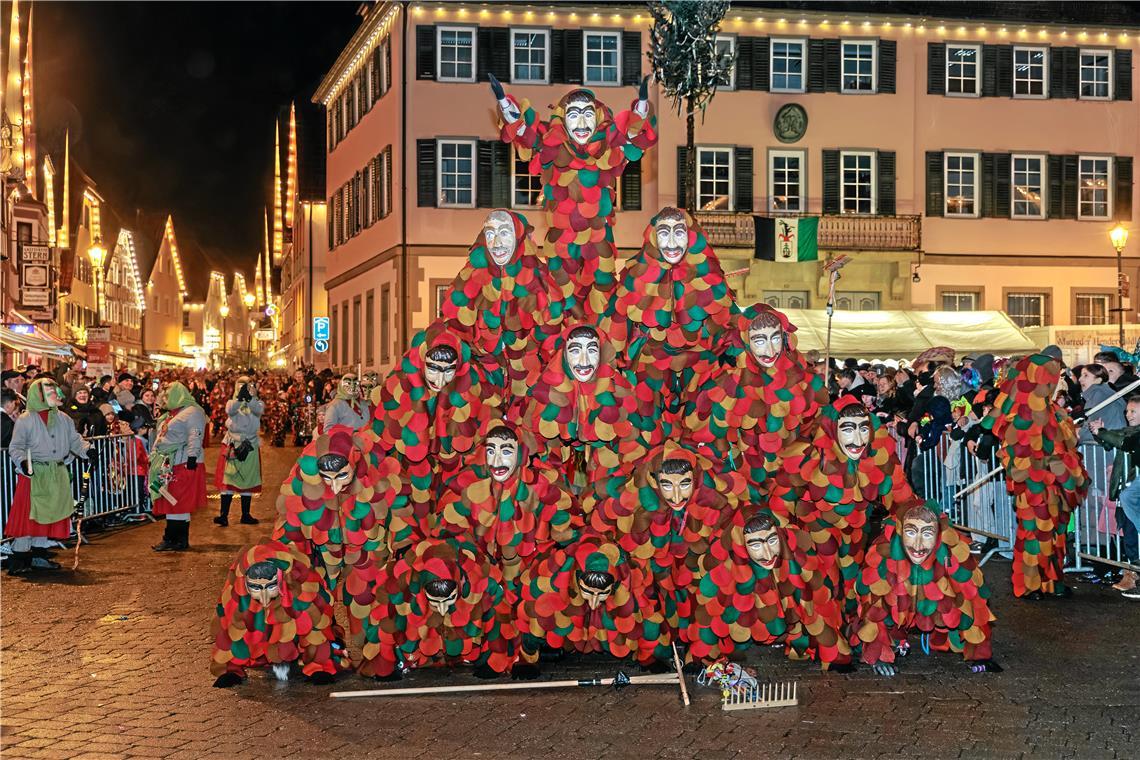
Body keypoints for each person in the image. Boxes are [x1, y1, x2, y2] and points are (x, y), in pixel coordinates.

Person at [490, 75, 657, 317]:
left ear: (597, 117)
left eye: (587, 114)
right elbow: (525, 132)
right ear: (563, 120)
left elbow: (633, 136)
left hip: (599, 237)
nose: (581, 122)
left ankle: (598, 332)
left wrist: (641, 106)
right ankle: (569, 331)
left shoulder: (607, 146)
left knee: (603, 285)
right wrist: (506, 105)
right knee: (560, 291)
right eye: (573, 114)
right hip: (560, 240)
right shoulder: (550, 144)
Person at [685, 303, 828, 501]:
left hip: (786, 489)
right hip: (740, 489)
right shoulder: (723, 386)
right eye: (759, 341)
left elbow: (815, 433)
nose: (770, 350)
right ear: (746, 342)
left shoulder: (805, 384)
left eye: (775, 338)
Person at [687, 509, 853, 670]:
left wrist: (833, 652)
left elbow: (820, 609)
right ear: (741, 546)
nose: (767, 554)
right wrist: (701, 655)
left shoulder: (800, 561)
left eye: (772, 541)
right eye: (756, 545)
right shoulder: (724, 572)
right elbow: (708, 618)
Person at [981, 354, 1088, 600]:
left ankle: (1052, 582)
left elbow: (1068, 440)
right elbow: (1015, 453)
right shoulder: (1020, 413)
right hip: (1034, 484)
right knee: (1032, 531)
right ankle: (1029, 585)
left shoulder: (1053, 409)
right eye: (1049, 377)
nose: (1053, 383)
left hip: (1057, 483)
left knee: (1055, 534)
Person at [438, 209, 569, 401]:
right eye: (490, 234)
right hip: (484, 389)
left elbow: (553, 339)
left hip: (530, 389)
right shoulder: (468, 281)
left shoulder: (541, 283)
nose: (496, 243)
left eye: (504, 233)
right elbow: (454, 333)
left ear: (519, 237)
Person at [856, 502, 1001, 676]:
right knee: (886, 600)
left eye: (927, 534)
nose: (918, 545)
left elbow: (974, 603)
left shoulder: (953, 557)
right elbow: (873, 612)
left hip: (937, 598)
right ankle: (898, 641)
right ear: (900, 532)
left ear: (939, 536)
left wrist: (981, 655)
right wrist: (878, 654)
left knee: (954, 595)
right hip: (898, 603)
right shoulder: (882, 560)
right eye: (911, 532)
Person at [356, 534, 517, 680]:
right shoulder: (400, 583)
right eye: (436, 602)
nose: (442, 609)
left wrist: (494, 662)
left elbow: (500, 618)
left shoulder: (482, 578)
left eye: (447, 600)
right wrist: (385, 666)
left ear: (461, 585)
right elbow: (382, 622)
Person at [211, 540, 346, 687]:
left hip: (292, 607)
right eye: (256, 588)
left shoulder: (304, 589)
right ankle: (233, 667)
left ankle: (319, 663)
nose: (263, 597)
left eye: (270, 587)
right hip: (255, 615)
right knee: (236, 622)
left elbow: (317, 630)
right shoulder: (237, 594)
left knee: (313, 623)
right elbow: (230, 631)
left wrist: (320, 667)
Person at [6, 378, 93, 575]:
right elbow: (16, 447)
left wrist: (88, 449)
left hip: (56, 473)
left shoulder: (64, 418)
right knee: (29, 515)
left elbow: (74, 440)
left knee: (49, 516)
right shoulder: (25, 419)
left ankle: (39, 554)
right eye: (50, 392)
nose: (55, 395)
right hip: (34, 475)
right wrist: (23, 462)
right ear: (40, 396)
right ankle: (20, 558)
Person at [1088, 396, 1140, 596]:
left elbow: (1123, 442)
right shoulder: (1129, 430)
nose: (1128, 415)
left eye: (1133, 411)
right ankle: (1131, 575)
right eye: (1127, 411)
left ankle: (1132, 576)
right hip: (1125, 485)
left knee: (1132, 532)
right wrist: (1099, 434)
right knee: (1128, 532)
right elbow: (1112, 442)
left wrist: (1102, 433)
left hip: (1132, 488)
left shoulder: (1135, 434)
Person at [149, 382, 208, 552]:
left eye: (167, 396)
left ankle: (175, 538)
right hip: (169, 462)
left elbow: (195, 435)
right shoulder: (173, 414)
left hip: (182, 461)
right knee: (171, 498)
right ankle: (176, 539)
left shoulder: (193, 412)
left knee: (177, 500)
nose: (165, 399)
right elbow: (161, 436)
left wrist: (192, 456)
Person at [213, 377, 264, 527]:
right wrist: (240, 399)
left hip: (250, 445)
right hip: (233, 444)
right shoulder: (231, 402)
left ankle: (246, 514)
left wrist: (251, 398)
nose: (243, 388)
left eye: (246, 386)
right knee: (229, 478)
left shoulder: (257, 403)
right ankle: (223, 515)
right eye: (240, 386)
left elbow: (258, 411)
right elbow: (230, 411)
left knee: (248, 479)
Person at [1077, 363, 1125, 444]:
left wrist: (1077, 433)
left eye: (1085, 375)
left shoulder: (1099, 395)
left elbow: (1091, 428)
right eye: (1081, 375)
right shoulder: (1105, 393)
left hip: (1106, 447)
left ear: (1098, 380)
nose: (1080, 379)